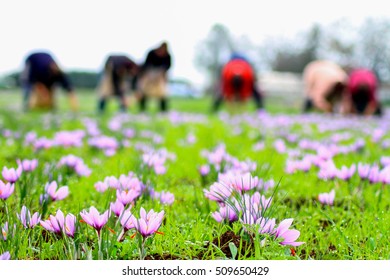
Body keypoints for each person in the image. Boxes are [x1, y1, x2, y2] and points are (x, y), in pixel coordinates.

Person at [136, 42, 172, 112]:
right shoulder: (152, 53)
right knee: (144, 91)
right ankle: (142, 110)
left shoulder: (167, 55)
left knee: (162, 93)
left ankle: (163, 110)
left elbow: (168, 66)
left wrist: (161, 72)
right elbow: (146, 64)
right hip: (149, 73)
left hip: (160, 74)